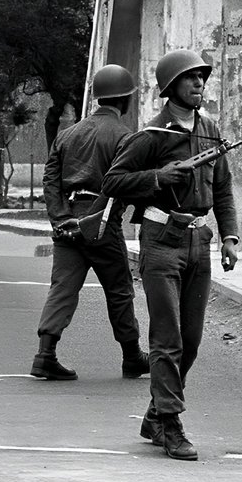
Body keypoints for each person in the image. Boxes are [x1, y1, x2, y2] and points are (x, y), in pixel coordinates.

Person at [102, 49, 239, 461]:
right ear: (171, 86)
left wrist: (230, 236)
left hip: (199, 243)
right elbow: (114, 181)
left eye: (202, 77)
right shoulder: (151, 134)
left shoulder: (211, 130)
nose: (199, 84)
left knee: (192, 342)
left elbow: (223, 190)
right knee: (168, 338)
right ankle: (171, 423)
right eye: (190, 78)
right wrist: (159, 177)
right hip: (161, 239)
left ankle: (155, 415)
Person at [31, 64, 149, 381]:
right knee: (120, 290)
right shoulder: (126, 137)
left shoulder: (66, 135)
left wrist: (62, 220)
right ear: (124, 99)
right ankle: (131, 356)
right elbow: (122, 184)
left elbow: (50, 183)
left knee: (62, 289)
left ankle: (45, 354)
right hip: (101, 222)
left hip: (68, 221)